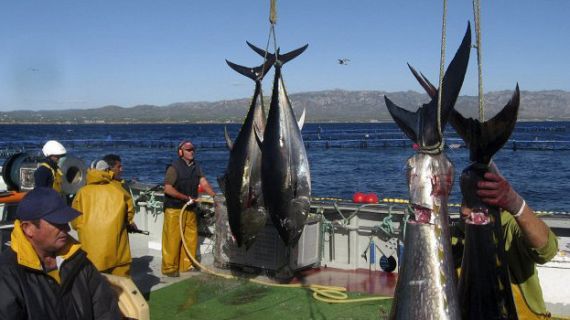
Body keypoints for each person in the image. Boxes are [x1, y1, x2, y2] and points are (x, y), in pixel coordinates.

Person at [0, 187, 120, 319]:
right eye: (57, 222)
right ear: (28, 228)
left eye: (66, 221)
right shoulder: (7, 274)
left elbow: (106, 312)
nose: (67, 228)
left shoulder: (80, 262)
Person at [461, 168, 558, 319]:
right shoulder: (456, 234)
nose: (468, 213)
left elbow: (547, 251)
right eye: (467, 200)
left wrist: (517, 205)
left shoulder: (511, 227)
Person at [71, 159, 135, 277]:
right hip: (117, 248)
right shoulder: (118, 189)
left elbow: (74, 222)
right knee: (121, 283)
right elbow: (129, 213)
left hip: (91, 249)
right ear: (107, 171)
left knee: (95, 283)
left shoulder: (82, 192)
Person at [162, 140, 215, 277]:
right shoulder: (173, 168)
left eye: (193, 150)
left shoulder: (197, 166)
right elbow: (168, 189)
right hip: (174, 209)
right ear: (181, 152)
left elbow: (203, 182)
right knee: (172, 239)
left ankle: (187, 265)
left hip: (191, 208)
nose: (191, 152)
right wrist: (185, 198)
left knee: (190, 238)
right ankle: (169, 268)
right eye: (188, 150)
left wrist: (214, 196)